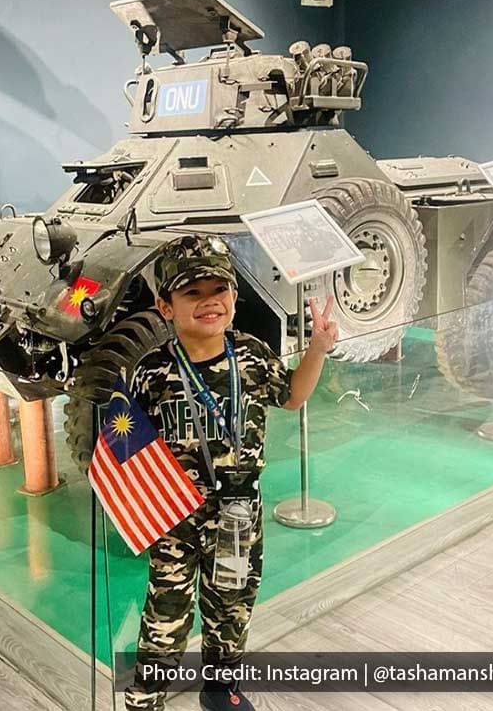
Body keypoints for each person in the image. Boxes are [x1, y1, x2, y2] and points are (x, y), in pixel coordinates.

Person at [125, 234, 338, 711]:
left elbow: (292, 397)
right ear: (165, 306)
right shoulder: (152, 372)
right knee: (166, 615)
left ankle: (219, 691)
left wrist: (318, 348)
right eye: (192, 293)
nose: (209, 303)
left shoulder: (253, 356)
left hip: (239, 513)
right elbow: (130, 448)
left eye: (218, 290)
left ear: (235, 299)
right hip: (176, 517)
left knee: (231, 609)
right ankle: (146, 698)